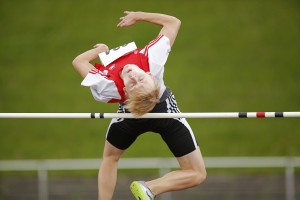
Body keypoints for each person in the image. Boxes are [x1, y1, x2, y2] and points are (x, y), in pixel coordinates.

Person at [72, 11, 206, 200]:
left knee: (197, 174)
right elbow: (173, 22)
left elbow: (79, 61)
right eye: (137, 80)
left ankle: (149, 188)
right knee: (198, 173)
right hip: (144, 111)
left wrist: (100, 50)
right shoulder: (152, 60)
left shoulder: (108, 85)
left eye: (136, 80)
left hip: (157, 111)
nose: (133, 75)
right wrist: (139, 16)